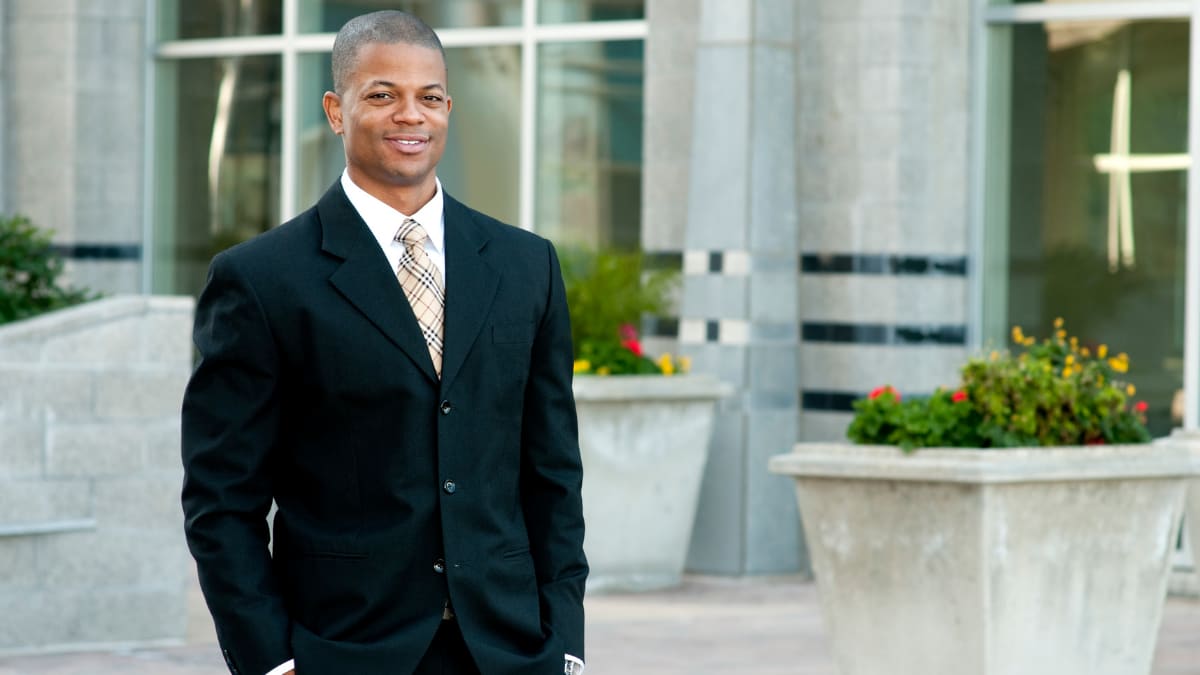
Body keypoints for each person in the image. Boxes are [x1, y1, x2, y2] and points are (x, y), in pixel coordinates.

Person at [181, 10, 588, 675]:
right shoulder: (260, 280)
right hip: (343, 650)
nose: (411, 115)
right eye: (382, 94)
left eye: (429, 97)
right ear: (336, 110)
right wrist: (271, 661)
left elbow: (552, 474)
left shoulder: (526, 266)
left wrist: (565, 641)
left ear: (449, 108)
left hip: (511, 651)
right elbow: (222, 498)